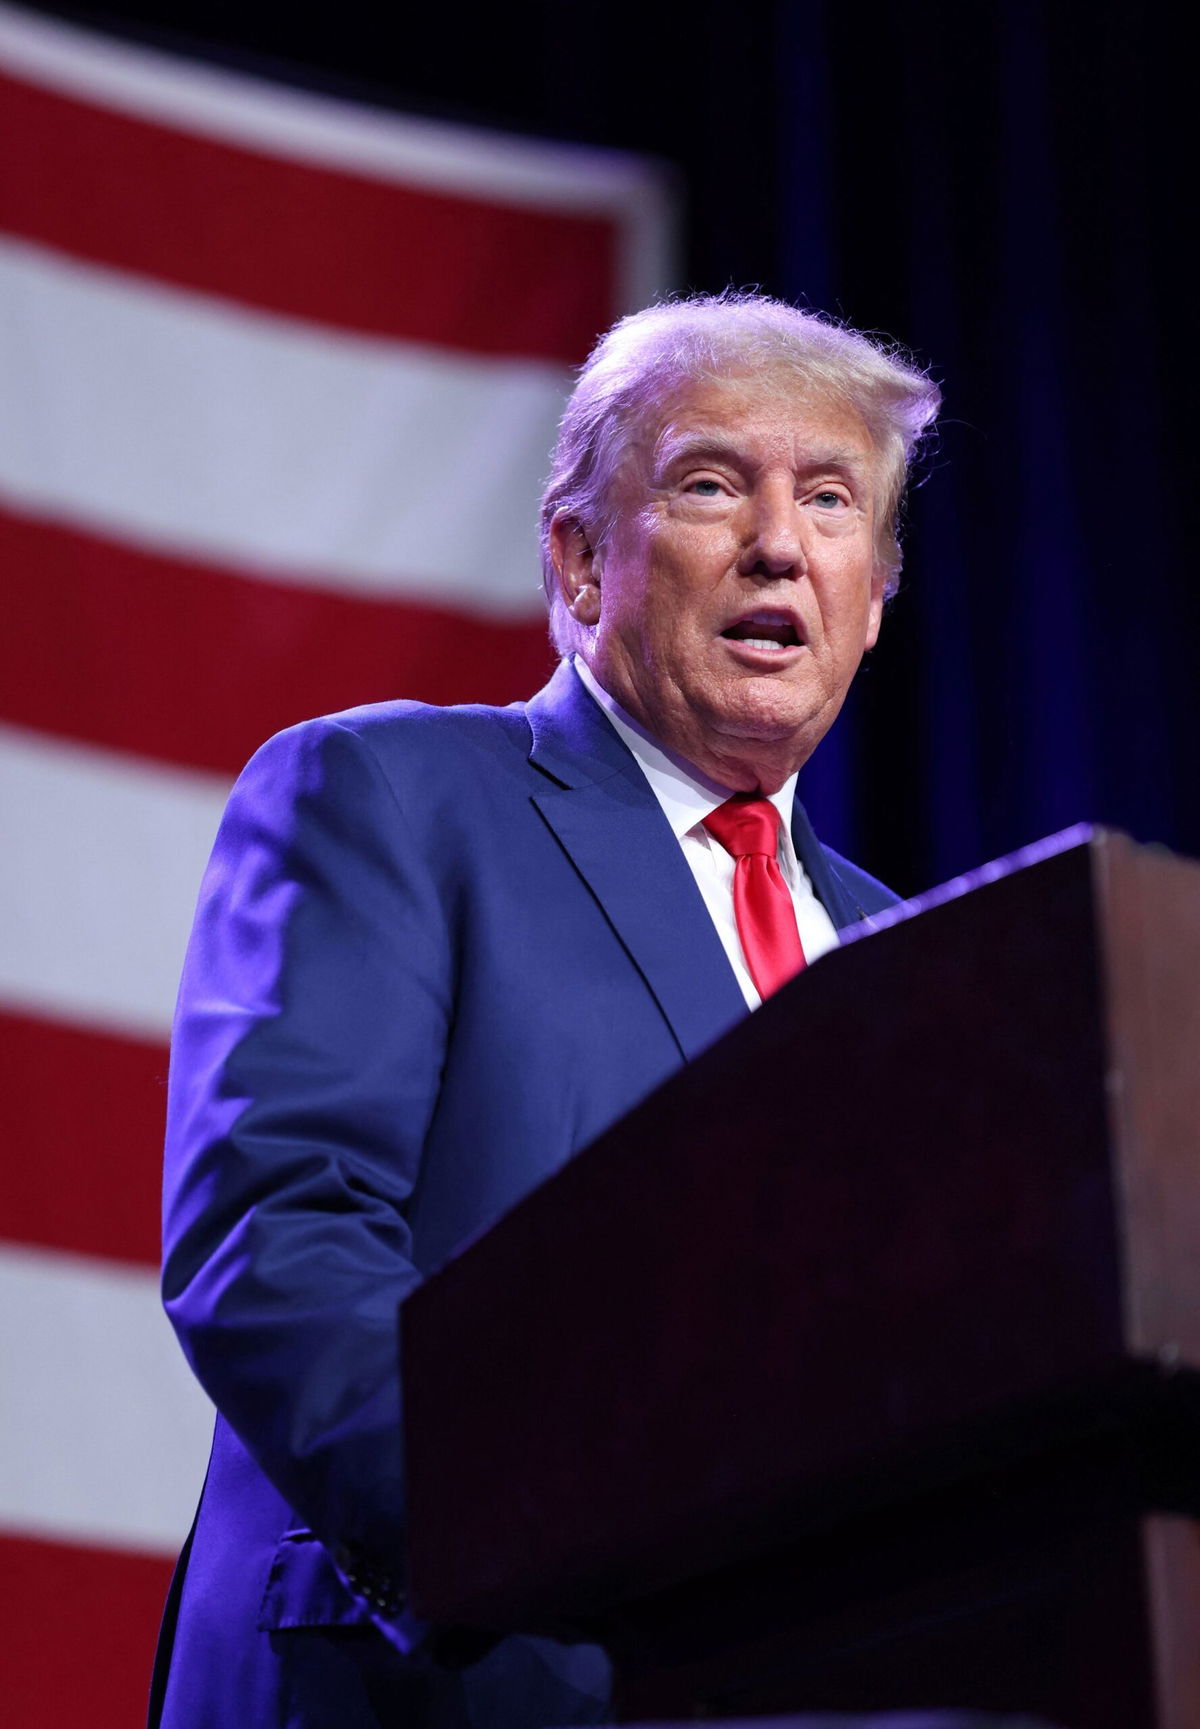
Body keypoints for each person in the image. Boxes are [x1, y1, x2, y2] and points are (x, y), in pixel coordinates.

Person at [151, 292, 940, 1728]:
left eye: (830, 499)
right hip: (459, 1680)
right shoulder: (390, 800)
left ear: (874, 598)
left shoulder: (916, 960)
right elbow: (278, 1235)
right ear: (580, 561)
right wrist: (561, 1553)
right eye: (712, 483)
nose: (780, 541)